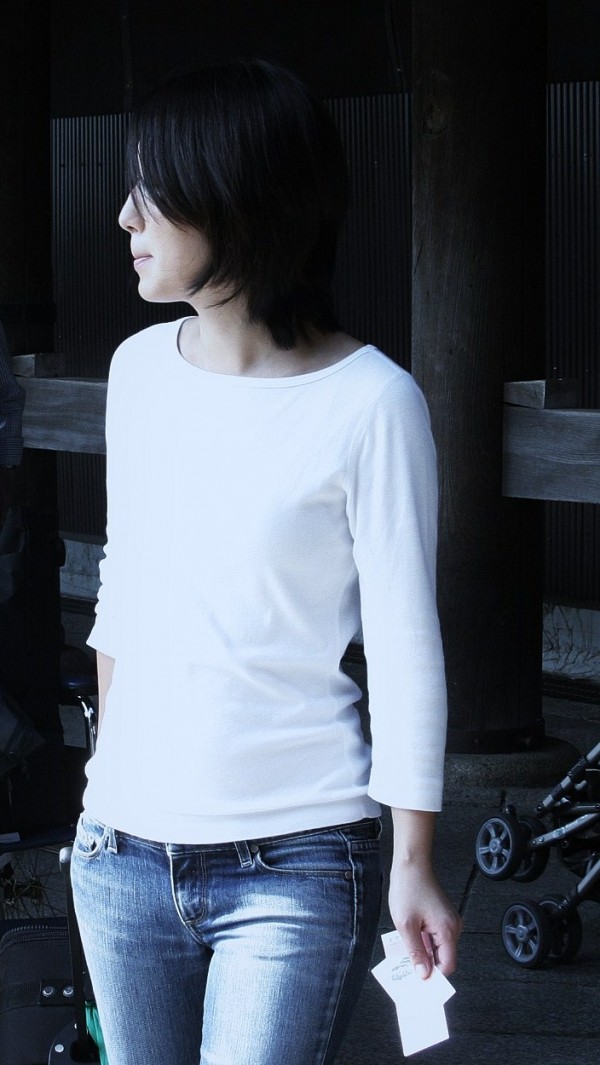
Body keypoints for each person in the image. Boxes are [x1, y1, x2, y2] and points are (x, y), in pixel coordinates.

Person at [71, 58, 462, 1065]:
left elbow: (406, 650)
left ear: (234, 199)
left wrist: (413, 860)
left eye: (152, 188)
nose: (125, 215)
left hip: (294, 862)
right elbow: (123, 584)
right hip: (121, 854)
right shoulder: (137, 371)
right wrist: (110, 777)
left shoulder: (373, 403)